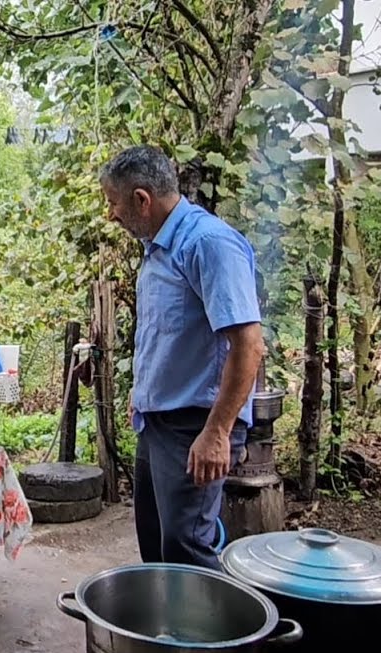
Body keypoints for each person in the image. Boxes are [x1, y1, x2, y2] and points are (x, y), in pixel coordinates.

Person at [98, 145, 265, 572]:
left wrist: (217, 433)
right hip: (157, 422)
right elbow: (166, 336)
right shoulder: (157, 248)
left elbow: (247, 345)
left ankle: (211, 637)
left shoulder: (208, 244)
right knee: (156, 545)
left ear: (141, 199)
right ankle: (164, 636)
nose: (111, 215)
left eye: (113, 203)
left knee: (187, 550)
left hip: (196, 424)